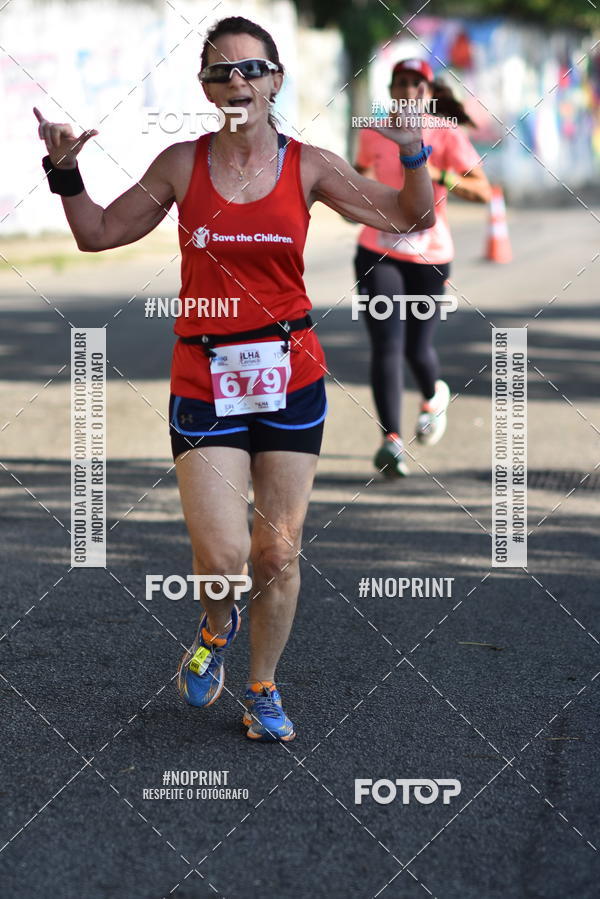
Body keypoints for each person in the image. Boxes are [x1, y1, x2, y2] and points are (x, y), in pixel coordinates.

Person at [34, 18, 435, 742]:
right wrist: (64, 169)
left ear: (276, 79)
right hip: (204, 376)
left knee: (277, 550)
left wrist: (413, 152)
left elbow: (411, 215)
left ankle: (262, 688)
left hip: (291, 376)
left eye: (251, 70)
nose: (237, 83)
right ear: (205, 88)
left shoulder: (309, 165)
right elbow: (96, 233)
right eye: (221, 73)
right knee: (222, 558)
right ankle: (214, 629)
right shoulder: (181, 165)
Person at [354, 58, 491, 477]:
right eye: (402, 83)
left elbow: (483, 191)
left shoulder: (446, 133)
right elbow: (358, 175)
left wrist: (437, 173)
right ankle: (391, 441)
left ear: (429, 93)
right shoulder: (374, 130)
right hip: (377, 250)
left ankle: (433, 394)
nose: (410, 90)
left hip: (430, 256)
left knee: (416, 348)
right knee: (387, 343)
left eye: (418, 84)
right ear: (392, 90)